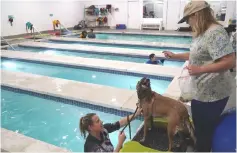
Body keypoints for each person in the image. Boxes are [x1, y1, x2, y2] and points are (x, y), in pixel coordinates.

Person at [163, 1, 235, 152]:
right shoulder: (202, 33)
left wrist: (200, 69)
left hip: (213, 95)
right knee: (200, 125)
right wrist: (175, 56)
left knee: (204, 130)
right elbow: (198, 55)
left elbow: (229, 61)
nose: (188, 23)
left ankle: (202, 149)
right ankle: (200, 145)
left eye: (188, 19)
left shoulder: (215, 32)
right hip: (201, 92)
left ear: (196, 15)